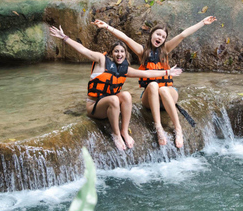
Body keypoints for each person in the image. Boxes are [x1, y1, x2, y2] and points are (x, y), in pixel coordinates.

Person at [49, 25, 183, 151]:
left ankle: (124, 131)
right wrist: (65, 38)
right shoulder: (101, 60)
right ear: (111, 53)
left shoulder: (124, 69)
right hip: (95, 106)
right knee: (114, 99)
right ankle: (116, 134)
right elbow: (84, 50)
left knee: (126, 95)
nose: (119, 54)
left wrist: (167, 72)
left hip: (110, 103)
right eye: (116, 51)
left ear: (125, 55)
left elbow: (147, 73)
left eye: (122, 52)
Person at [92, 16, 217, 148]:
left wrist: (202, 22)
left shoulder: (166, 49)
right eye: (158, 34)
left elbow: (183, 34)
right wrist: (107, 26)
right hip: (150, 97)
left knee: (162, 89)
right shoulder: (142, 52)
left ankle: (178, 128)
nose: (160, 38)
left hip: (168, 93)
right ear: (151, 34)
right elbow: (126, 39)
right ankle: (159, 128)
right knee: (153, 85)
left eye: (163, 37)